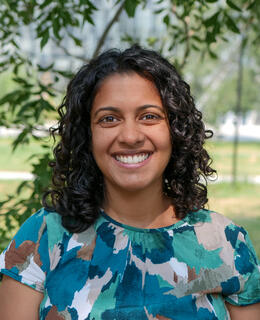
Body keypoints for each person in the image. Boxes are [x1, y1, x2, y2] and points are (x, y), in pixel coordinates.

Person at [0, 45, 259, 320]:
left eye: (149, 116)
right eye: (109, 119)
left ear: (174, 129)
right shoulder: (44, 236)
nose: (130, 136)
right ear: (87, 136)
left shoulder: (227, 242)